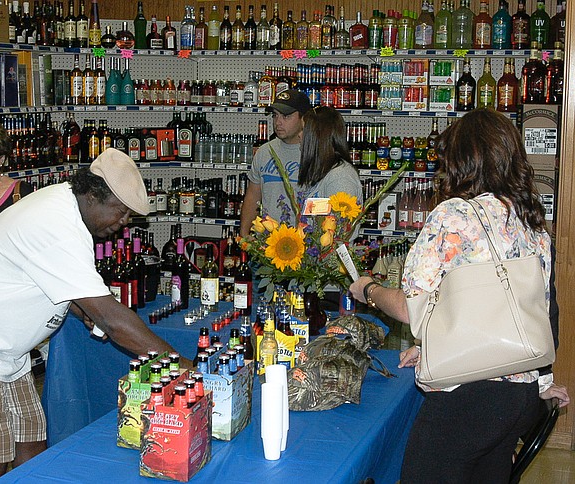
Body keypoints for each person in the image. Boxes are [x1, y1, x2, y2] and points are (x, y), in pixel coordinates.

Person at [348, 108, 569, 482]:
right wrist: (441, 341)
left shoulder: (453, 216)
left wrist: (368, 289)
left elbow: (409, 307)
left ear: (460, 161)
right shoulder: (530, 220)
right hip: (518, 396)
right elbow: (518, 310)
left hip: (465, 405)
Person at [0, 148, 180, 483]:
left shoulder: (65, 211)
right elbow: (114, 322)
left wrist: (81, 309)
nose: (122, 224)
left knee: (32, 444)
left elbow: (55, 284)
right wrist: (179, 364)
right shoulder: (56, 222)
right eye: (119, 212)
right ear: (92, 195)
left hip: (8, 353)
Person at [240, 89, 309, 235]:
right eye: (275, 116)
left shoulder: (314, 153)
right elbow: (253, 196)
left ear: (304, 119)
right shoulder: (264, 151)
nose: (278, 122)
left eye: (286, 116)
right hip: (266, 244)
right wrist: (244, 235)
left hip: (303, 248)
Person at [298, 106, 362, 202]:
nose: (299, 135)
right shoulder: (324, 171)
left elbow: (341, 215)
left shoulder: (340, 178)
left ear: (317, 135)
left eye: (303, 130)